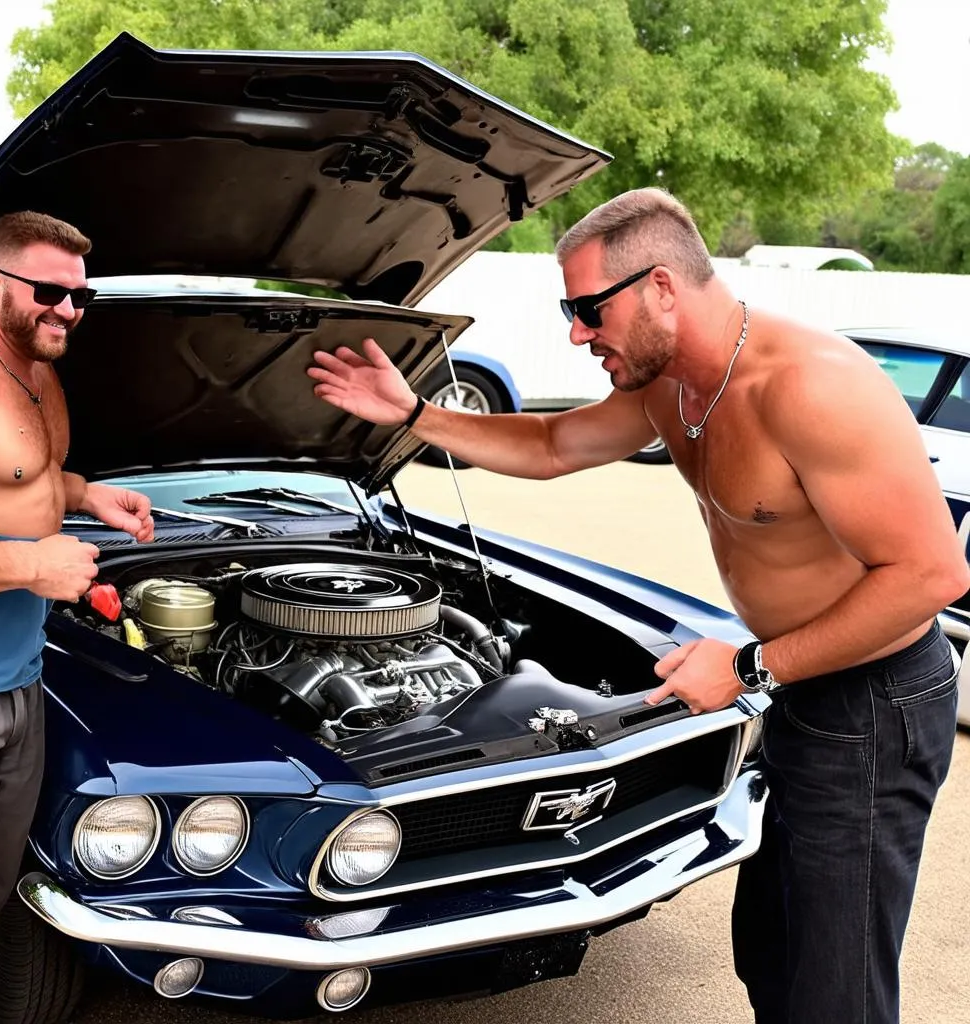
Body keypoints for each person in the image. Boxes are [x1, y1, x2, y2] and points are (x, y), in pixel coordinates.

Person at [307, 186, 970, 1024]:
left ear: (660, 287)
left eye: (588, 309)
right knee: (771, 946)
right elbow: (553, 446)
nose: (577, 333)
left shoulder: (809, 387)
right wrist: (413, 413)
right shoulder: (670, 383)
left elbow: (930, 576)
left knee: (834, 983)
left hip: (874, 699)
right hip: (804, 681)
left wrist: (746, 667)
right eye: (568, 308)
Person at [0, 210, 155, 1023]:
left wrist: (86, 494)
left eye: (80, 296)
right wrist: (35, 564)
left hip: (20, 681)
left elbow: (21, 481)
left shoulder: (33, 363)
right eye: (49, 292)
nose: (69, 311)